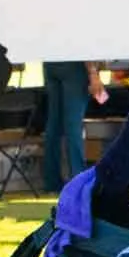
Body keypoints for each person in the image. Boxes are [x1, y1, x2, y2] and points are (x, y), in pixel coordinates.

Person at [39, 59, 106, 193]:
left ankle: (51, 182)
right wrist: (93, 73)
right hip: (76, 65)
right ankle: (78, 179)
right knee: (73, 125)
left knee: (54, 124)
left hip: (51, 62)